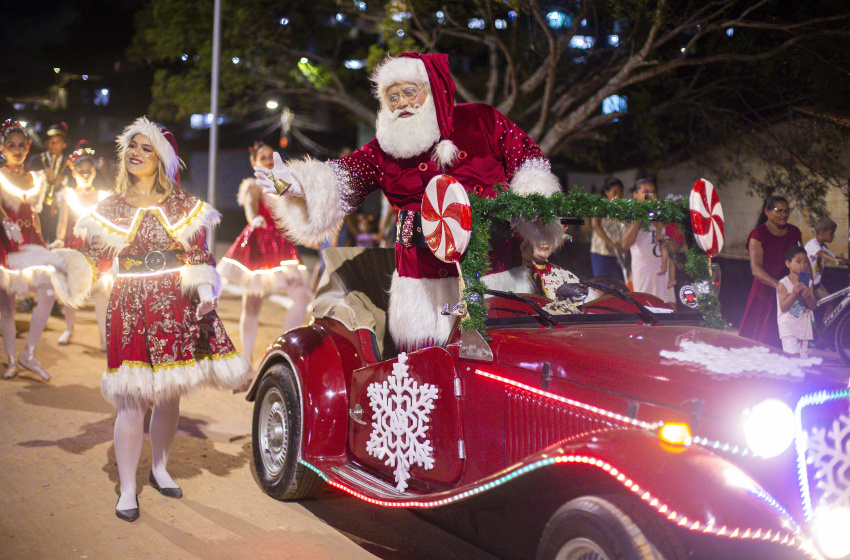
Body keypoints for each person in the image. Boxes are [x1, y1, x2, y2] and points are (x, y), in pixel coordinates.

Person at [255, 52, 564, 352]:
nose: (400, 102)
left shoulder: (481, 120)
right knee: (427, 369)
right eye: (392, 96)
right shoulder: (384, 149)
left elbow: (527, 158)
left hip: (494, 271)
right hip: (421, 282)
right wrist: (295, 184)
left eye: (408, 92)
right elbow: (343, 176)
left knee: (505, 365)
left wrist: (533, 198)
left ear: (432, 90)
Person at [73, 117, 250, 522]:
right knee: (132, 398)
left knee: (170, 393)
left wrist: (206, 293)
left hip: (175, 301)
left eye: (145, 147)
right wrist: (67, 267)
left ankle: (160, 468)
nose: (135, 153)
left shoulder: (184, 207)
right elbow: (91, 254)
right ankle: (128, 488)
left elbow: (200, 255)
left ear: (162, 159)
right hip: (130, 302)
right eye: (131, 146)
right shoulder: (110, 206)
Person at [0, 120, 91, 381]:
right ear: (2, 148)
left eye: (21, 145)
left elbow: (35, 213)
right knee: (8, 306)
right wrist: (6, 221)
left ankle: (29, 352)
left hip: (32, 240)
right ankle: (11, 360)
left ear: (28, 147)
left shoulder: (35, 178)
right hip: (7, 242)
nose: (16, 150)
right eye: (11, 145)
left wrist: (42, 239)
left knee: (49, 292)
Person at [216, 141, 310, 372]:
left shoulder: (279, 184)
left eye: (271, 157)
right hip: (258, 244)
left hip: (282, 246)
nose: (268, 161)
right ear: (253, 163)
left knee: (302, 296)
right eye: (263, 158)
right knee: (252, 304)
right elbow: (250, 207)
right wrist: (253, 218)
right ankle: (247, 358)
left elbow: (292, 206)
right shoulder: (253, 186)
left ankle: (280, 347)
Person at [51, 144, 113, 350]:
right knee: (71, 289)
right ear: (74, 172)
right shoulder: (67, 195)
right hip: (73, 246)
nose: (85, 174)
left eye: (89, 170)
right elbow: (63, 221)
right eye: (81, 170)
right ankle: (69, 329)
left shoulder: (102, 197)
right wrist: (59, 240)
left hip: (96, 247)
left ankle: (104, 336)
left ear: (94, 172)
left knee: (100, 292)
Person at [738, 195, 804, 349]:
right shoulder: (758, 235)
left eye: (786, 211)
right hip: (765, 293)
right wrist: (779, 286)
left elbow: (804, 263)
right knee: (760, 342)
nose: (784, 215)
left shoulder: (795, 232)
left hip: (792, 294)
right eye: (779, 211)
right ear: (767, 211)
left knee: (790, 343)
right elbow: (756, 269)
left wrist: (805, 287)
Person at [620, 178, 675, 304]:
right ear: (635, 194)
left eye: (653, 192)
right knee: (648, 310)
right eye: (646, 192)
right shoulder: (630, 215)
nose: (650, 196)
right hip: (645, 274)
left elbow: (672, 246)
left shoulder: (660, 214)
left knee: (671, 310)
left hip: (664, 273)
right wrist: (639, 218)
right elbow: (625, 244)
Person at [28, 122, 71, 245]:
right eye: (51, 141)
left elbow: (74, 182)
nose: (54, 145)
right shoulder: (36, 159)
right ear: (46, 143)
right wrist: (41, 174)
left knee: (57, 235)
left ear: (64, 144)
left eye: (58, 141)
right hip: (40, 206)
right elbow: (26, 176)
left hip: (60, 208)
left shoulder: (69, 162)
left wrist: (63, 179)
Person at [776, 246, 816, 358]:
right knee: (793, 358)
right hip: (788, 327)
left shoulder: (808, 281)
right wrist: (793, 294)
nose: (803, 265)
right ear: (788, 264)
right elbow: (783, 308)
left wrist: (808, 297)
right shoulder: (783, 283)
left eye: (805, 261)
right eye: (798, 261)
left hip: (804, 328)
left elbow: (813, 306)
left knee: (802, 363)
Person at [804, 216, 849, 303]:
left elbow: (836, 257)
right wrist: (834, 260)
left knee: (830, 304)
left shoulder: (823, 246)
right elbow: (821, 253)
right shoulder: (812, 244)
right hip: (806, 282)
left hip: (816, 284)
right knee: (808, 307)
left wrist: (843, 261)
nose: (833, 236)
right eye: (831, 233)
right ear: (822, 231)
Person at [590, 177, 625, 279]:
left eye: (620, 192)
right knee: (602, 286)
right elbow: (595, 225)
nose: (618, 195)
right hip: (601, 252)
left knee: (620, 286)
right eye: (615, 192)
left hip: (618, 253)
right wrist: (611, 244)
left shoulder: (623, 208)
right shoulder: (600, 206)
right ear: (606, 192)